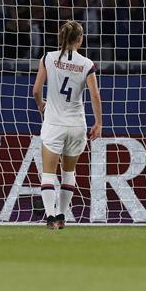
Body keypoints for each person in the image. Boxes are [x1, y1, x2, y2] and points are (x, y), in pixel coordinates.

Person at [31, 21, 102, 229]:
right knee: (68, 172)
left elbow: (36, 90)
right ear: (80, 40)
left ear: (61, 38)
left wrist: (41, 105)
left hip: (54, 122)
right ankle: (62, 216)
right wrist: (98, 122)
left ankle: (51, 216)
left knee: (48, 173)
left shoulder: (49, 58)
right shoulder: (86, 63)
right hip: (76, 124)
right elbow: (95, 95)